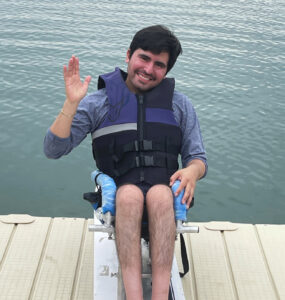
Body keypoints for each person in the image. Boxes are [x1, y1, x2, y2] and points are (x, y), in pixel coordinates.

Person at [44, 25, 207, 300]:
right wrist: (71, 104)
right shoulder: (97, 103)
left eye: (159, 64)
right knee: (130, 196)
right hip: (120, 189)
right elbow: (54, 149)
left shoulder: (180, 105)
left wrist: (192, 171)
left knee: (158, 196)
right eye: (143, 58)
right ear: (129, 55)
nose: (148, 68)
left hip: (164, 190)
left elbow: (197, 157)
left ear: (166, 71)